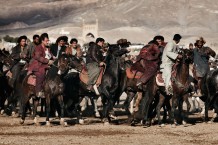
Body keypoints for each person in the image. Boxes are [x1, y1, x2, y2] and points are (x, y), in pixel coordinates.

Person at [28, 33, 54, 98]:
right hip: (38, 65)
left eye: (48, 40)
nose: (47, 42)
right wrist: (47, 61)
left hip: (47, 64)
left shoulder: (48, 48)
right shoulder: (38, 47)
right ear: (42, 41)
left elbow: (51, 55)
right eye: (46, 40)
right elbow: (38, 57)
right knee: (41, 73)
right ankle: (38, 91)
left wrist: (54, 58)